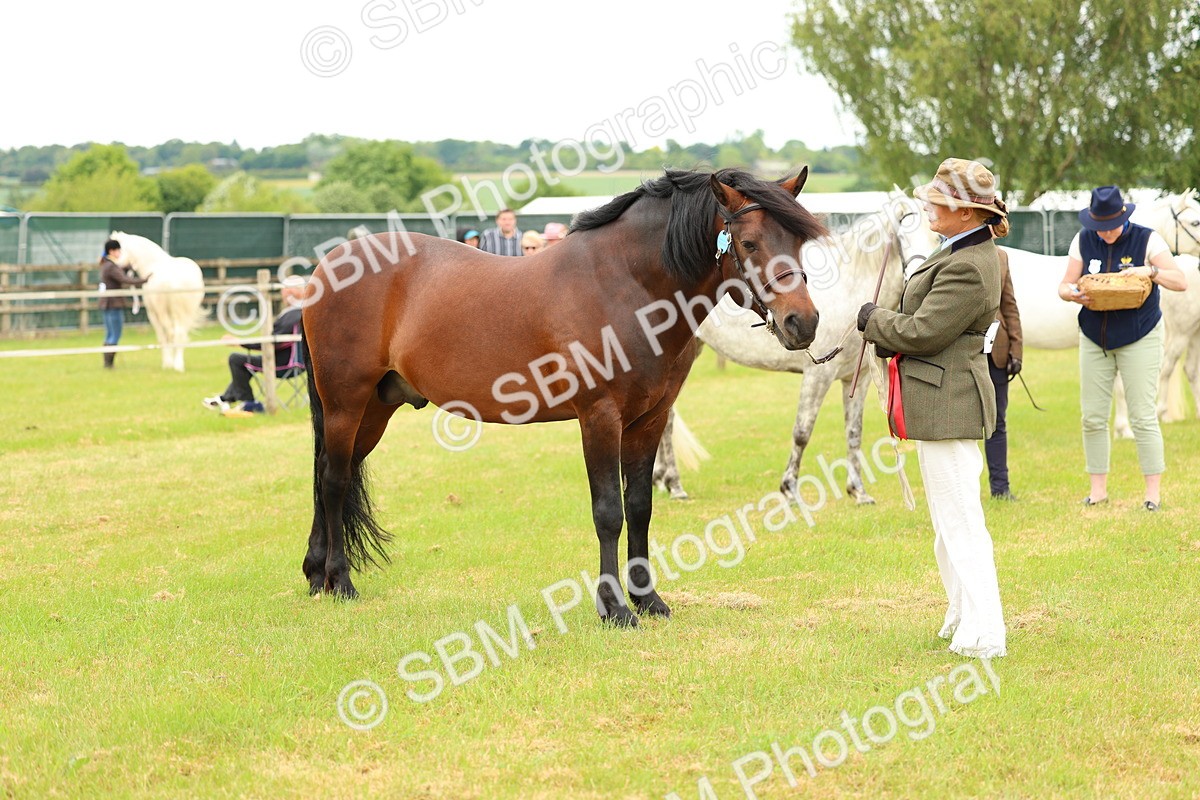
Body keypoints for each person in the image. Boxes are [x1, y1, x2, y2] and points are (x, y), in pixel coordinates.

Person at [857, 157, 1008, 659]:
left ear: (967, 213)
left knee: (962, 522)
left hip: (952, 403)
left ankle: (988, 632)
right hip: (941, 401)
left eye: (938, 201)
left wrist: (871, 319)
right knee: (947, 524)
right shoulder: (959, 250)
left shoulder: (969, 264)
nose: (928, 205)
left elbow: (924, 331)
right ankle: (962, 613)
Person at [1058, 185, 1189, 511]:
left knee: (1143, 416)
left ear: (1123, 217)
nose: (1105, 233)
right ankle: (1098, 491)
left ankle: (1152, 495)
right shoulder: (1083, 239)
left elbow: (1180, 281)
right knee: (1092, 417)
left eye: (1110, 226)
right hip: (1094, 337)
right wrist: (1072, 293)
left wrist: (1151, 271)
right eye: (1099, 227)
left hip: (1139, 336)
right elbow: (1064, 285)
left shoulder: (1148, 239)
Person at [203, 276, 307, 413]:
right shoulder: (300, 312)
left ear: (295, 292)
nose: (284, 293)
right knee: (244, 362)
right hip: (295, 361)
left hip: (283, 363)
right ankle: (226, 398)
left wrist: (240, 343)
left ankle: (249, 403)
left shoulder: (293, 314)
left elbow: (272, 342)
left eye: (286, 290)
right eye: (284, 290)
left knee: (236, 359)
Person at [985, 246, 1023, 500]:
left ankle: (1001, 489)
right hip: (961, 354)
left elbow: (1009, 305)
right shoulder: (946, 252)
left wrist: (1016, 349)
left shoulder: (1001, 257)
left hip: (996, 352)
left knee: (998, 423)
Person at [98, 238, 148, 369]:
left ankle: (107, 364)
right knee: (115, 334)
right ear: (112, 251)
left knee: (109, 334)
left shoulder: (106, 265)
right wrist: (144, 280)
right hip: (114, 304)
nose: (119, 252)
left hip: (107, 304)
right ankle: (109, 364)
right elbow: (124, 279)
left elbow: (119, 274)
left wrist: (125, 268)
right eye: (118, 250)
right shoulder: (111, 266)